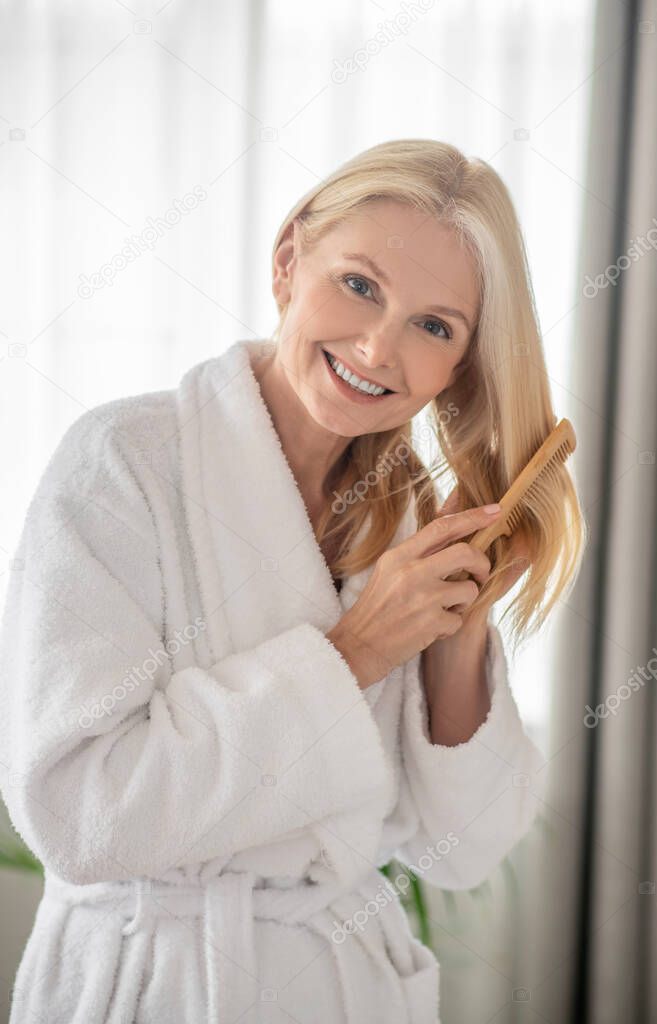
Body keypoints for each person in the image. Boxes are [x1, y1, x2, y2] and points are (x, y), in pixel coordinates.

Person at [0, 139, 585, 1024]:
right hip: (156, 983)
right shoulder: (124, 462)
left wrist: (456, 633)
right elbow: (81, 813)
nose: (377, 347)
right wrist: (353, 652)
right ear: (287, 262)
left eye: (434, 326)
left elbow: (462, 851)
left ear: (457, 365)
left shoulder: (404, 519)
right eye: (358, 285)